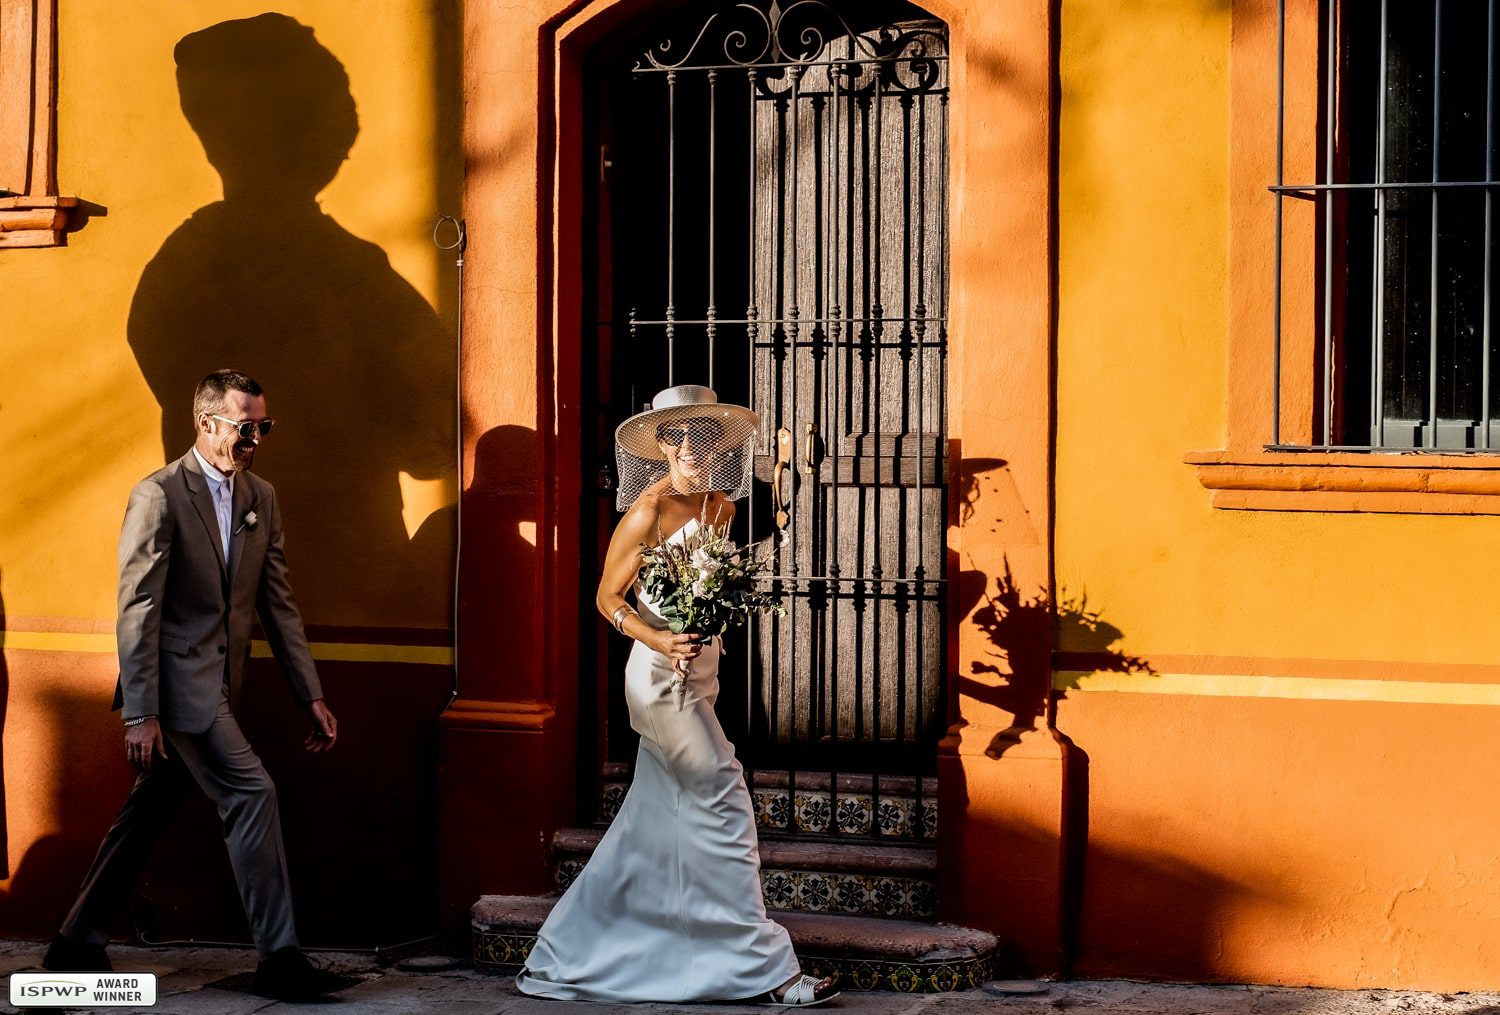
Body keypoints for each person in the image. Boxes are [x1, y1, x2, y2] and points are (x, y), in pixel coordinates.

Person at [516, 384, 840, 1007]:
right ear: (663, 445)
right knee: (725, 799)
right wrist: (661, 641)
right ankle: (768, 970)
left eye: (708, 437)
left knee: (653, 826)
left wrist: (722, 607)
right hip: (661, 682)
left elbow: (710, 585)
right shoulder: (646, 511)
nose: (696, 449)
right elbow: (607, 600)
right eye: (682, 438)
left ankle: (575, 949)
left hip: (703, 674)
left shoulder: (721, 507)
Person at [42, 369, 343, 1001]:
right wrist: (140, 712)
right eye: (245, 426)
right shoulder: (159, 494)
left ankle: (74, 943)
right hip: (179, 687)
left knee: (148, 811)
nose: (256, 438)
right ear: (206, 423)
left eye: (264, 426)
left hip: (223, 683)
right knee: (251, 791)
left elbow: (277, 603)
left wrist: (307, 694)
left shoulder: (261, 495)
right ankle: (280, 959)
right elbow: (139, 605)